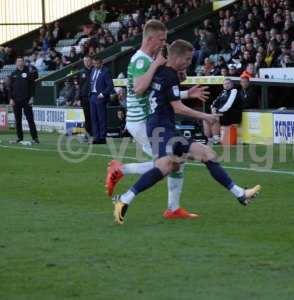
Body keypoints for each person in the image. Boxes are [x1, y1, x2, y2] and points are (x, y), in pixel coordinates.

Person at [111, 39, 261, 224]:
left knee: (195, 158)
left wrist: (182, 82)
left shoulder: (161, 72)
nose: (189, 63)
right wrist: (205, 117)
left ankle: (240, 193)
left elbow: (163, 94)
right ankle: (125, 198)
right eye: (188, 59)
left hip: (160, 126)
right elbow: (178, 108)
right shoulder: (168, 75)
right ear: (178, 57)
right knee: (172, 164)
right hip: (161, 128)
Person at [105, 20, 209, 219]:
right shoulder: (142, 60)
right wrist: (156, 65)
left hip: (147, 120)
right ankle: (122, 172)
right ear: (150, 39)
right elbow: (138, 88)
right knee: (167, 163)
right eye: (161, 39)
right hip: (142, 121)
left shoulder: (150, 59)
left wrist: (185, 91)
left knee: (175, 162)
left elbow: (161, 92)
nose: (164, 43)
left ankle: (173, 208)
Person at [8, 57, 39, 144]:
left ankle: (35, 138)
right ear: (16, 63)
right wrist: (10, 99)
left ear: (23, 63)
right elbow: (10, 88)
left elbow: (33, 87)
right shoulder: (13, 74)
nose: (20, 62)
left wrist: (32, 97)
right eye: (18, 61)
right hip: (16, 101)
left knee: (30, 119)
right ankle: (19, 138)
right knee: (18, 121)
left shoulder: (28, 73)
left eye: (21, 61)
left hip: (26, 100)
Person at [89, 57, 114, 144]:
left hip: (100, 97)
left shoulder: (106, 71)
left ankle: (102, 137)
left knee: (101, 118)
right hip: (92, 96)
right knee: (94, 118)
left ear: (101, 63)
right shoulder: (93, 70)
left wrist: (103, 94)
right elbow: (91, 82)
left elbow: (110, 85)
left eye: (97, 64)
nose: (95, 65)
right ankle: (96, 137)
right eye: (94, 64)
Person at [79, 55, 93, 140]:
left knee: (94, 116)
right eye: (85, 61)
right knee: (86, 116)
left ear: (91, 61)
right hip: (84, 97)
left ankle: (94, 133)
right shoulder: (81, 72)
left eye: (88, 60)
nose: (86, 62)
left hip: (93, 96)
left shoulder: (95, 71)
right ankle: (87, 134)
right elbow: (80, 86)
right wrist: (79, 97)